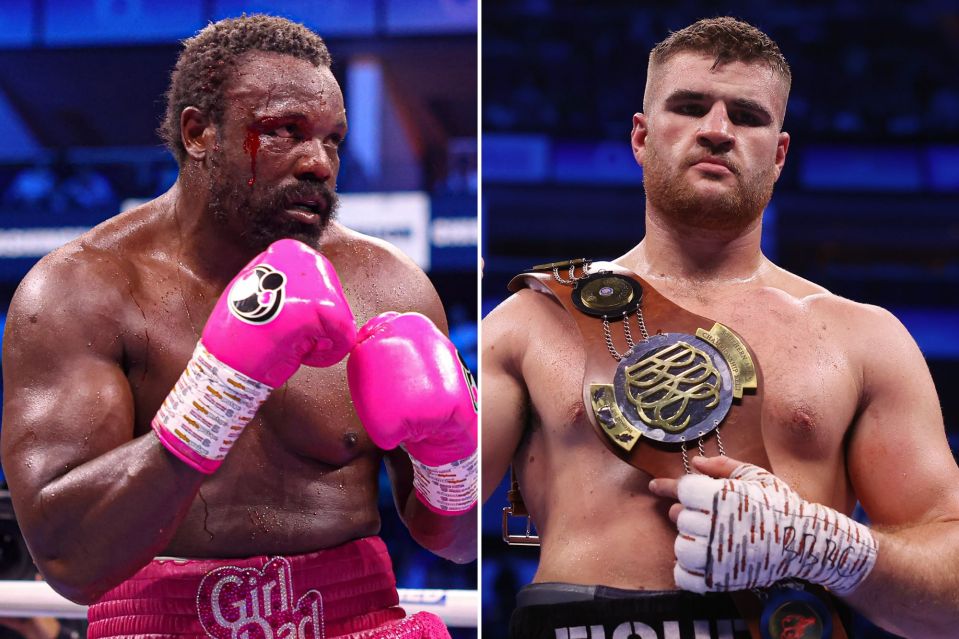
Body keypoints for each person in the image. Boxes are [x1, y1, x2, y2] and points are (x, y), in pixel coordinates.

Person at [482, 16, 959, 639]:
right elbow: (444, 528)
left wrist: (827, 547)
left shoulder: (862, 339)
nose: (716, 130)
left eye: (747, 115)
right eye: (688, 106)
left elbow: (949, 598)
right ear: (642, 136)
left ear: (779, 152)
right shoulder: (533, 319)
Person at [1, 15, 477, 639]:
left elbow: (458, 544)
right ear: (198, 133)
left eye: (333, 139)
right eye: (285, 132)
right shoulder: (81, 291)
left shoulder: (388, 289)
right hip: (159, 622)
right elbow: (66, 558)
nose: (320, 164)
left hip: (356, 617)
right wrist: (216, 393)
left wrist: (452, 463)